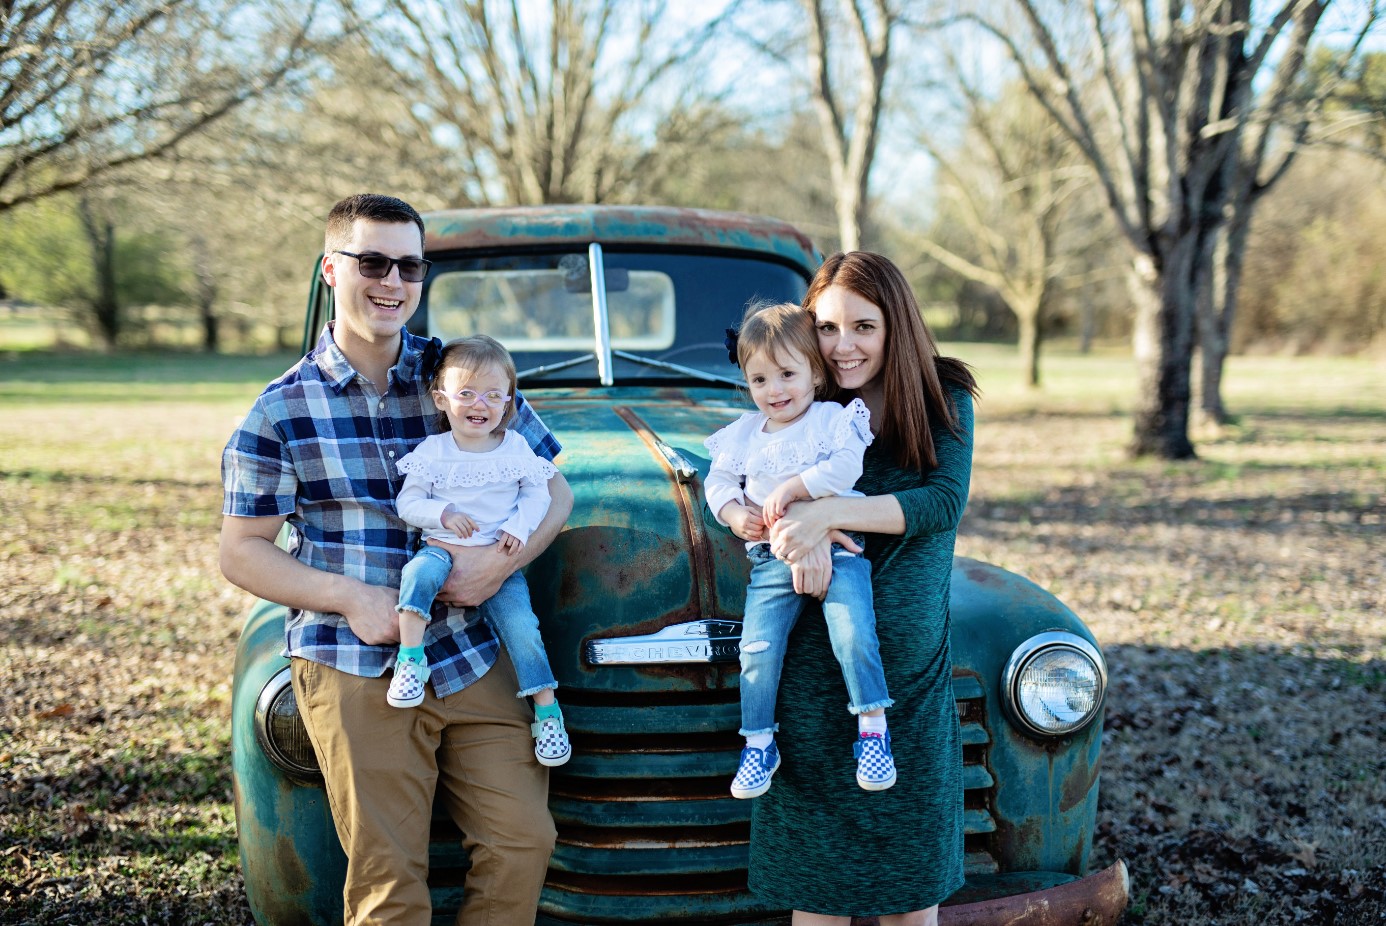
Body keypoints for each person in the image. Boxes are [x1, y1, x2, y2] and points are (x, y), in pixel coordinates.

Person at [220, 193, 571, 925]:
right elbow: (242, 553)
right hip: (353, 659)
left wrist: (499, 566)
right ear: (330, 270)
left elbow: (555, 489)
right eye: (372, 261)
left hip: (473, 649)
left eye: (410, 265)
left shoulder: (460, 375)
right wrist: (352, 599)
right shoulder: (280, 409)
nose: (393, 281)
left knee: (522, 842)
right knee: (388, 883)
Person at [749, 252, 978, 925]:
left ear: (895, 324)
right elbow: (754, 486)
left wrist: (828, 513)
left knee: (913, 895)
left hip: (906, 683)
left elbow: (942, 501)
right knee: (818, 897)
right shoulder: (802, 400)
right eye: (825, 328)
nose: (842, 346)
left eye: (863, 327)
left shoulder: (943, 394)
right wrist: (795, 525)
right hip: (814, 679)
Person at [703, 302, 894, 800]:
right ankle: (759, 742)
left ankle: (872, 731)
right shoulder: (744, 432)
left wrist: (790, 490)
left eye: (788, 374)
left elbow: (845, 471)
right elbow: (719, 480)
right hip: (771, 557)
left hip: (841, 549)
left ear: (815, 371)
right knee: (757, 649)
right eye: (760, 379)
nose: (775, 391)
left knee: (852, 633)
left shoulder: (833, 419)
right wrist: (731, 514)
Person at [392, 333, 571, 767]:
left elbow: (539, 495)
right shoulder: (432, 452)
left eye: (494, 395)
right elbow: (407, 503)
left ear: (509, 402)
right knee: (415, 577)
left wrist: (517, 526)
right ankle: (411, 659)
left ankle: (547, 711)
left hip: (498, 559)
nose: (480, 404)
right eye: (466, 393)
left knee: (523, 629)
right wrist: (443, 512)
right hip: (441, 547)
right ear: (441, 399)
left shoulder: (515, 448)